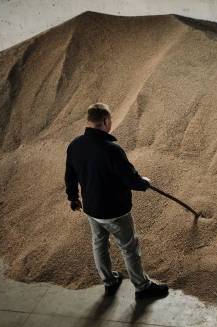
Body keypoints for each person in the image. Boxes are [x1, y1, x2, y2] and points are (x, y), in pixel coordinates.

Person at [64, 103, 168, 299]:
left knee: (99, 243)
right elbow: (129, 179)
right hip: (115, 211)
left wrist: (73, 198)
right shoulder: (112, 149)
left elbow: (70, 175)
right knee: (129, 248)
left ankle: (109, 281)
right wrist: (143, 183)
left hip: (91, 208)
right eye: (110, 121)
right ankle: (142, 287)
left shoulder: (75, 145)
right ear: (105, 121)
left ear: (89, 121)